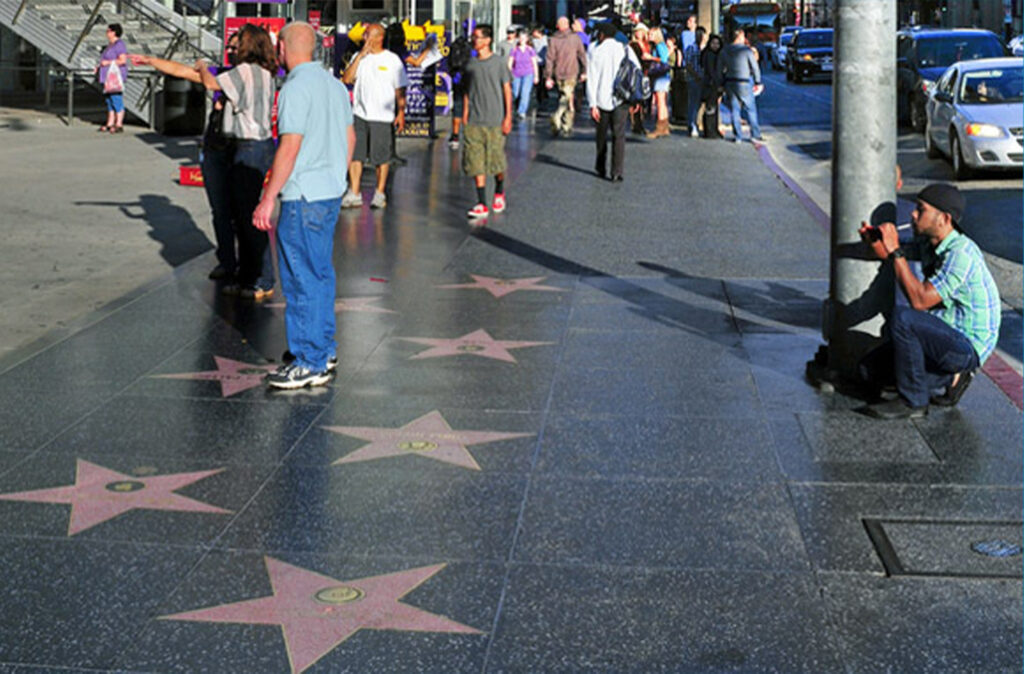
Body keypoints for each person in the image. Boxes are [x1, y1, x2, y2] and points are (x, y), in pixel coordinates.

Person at [252, 22, 355, 389]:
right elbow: (350, 136)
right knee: (320, 274)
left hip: (302, 196)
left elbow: (290, 146)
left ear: (282, 47)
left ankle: (309, 360)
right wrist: (336, 177)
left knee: (300, 279)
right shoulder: (334, 85)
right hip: (327, 191)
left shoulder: (294, 88)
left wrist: (268, 197)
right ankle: (323, 348)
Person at [858, 184, 1001, 419]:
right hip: (943, 335)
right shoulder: (928, 242)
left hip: (966, 346)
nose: (913, 214)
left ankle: (914, 402)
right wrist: (875, 240)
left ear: (943, 218)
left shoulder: (960, 254)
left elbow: (920, 300)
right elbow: (892, 254)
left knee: (904, 318)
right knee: (869, 370)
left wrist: (894, 250)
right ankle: (950, 377)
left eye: (921, 210)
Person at [130, 34, 244, 282]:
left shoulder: (252, 75)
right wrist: (151, 60)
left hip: (240, 149)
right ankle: (227, 259)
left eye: (237, 46)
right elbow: (181, 71)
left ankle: (247, 262)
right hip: (216, 147)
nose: (231, 51)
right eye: (229, 46)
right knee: (220, 210)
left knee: (241, 211)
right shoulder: (221, 72)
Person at [194, 24, 278, 300]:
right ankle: (251, 276)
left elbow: (210, 83)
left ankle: (260, 278)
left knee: (246, 218)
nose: (234, 47)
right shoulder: (267, 73)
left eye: (238, 42)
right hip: (264, 145)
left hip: (249, 146)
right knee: (248, 215)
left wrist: (202, 66)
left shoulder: (242, 71)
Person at [340, 24, 407, 210]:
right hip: (359, 114)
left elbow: (400, 89)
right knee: (356, 155)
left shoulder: (392, 60)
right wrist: (360, 55)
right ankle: (354, 192)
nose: (363, 36)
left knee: (381, 157)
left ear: (379, 37)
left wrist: (401, 112)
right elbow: (346, 79)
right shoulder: (358, 57)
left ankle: (380, 192)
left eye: (367, 34)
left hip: (382, 116)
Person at [462, 24, 513, 219]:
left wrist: (508, 117)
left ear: (487, 40)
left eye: (478, 37)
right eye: (474, 37)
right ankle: (482, 203)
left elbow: (506, 90)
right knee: (476, 162)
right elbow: (467, 91)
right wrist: (465, 113)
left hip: (495, 120)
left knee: (496, 162)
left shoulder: (499, 63)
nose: (474, 41)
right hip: (475, 119)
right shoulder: (470, 64)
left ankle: (499, 190)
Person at [587, 22, 641, 182]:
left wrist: (592, 103)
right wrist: (635, 98)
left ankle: (600, 165)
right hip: (621, 98)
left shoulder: (594, 50)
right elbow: (636, 71)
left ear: (602, 34)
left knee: (601, 134)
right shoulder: (625, 49)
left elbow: (592, 78)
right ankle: (617, 170)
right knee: (619, 134)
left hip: (601, 98)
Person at [545, 16, 587, 137]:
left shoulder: (553, 39)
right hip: (571, 72)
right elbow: (582, 55)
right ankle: (558, 118)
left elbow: (549, 59)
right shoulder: (575, 38)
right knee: (567, 98)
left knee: (565, 97)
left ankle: (566, 125)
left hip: (559, 73)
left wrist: (548, 76)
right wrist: (585, 70)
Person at [721, 27, 763, 143]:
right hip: (744, 81)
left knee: (735, 109)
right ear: (740, 36)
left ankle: (738, 136)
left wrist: (721, 82)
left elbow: (720, 68)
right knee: (750, 109)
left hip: (730, 82)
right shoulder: (746, 51)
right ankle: (755, 134)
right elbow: (755, 67)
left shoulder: (725, 51)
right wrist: (758, 81)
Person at [97, 24, 128, 134]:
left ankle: (119, 123)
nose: (107, 32)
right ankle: (110, 122)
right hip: (107, 77)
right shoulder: (110, 45)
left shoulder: (119, 45)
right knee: (109, 100)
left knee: (116, 99)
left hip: (114, 77)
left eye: (109, 30)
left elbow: (122, 60)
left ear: (114, 32)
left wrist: (108, 63)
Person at [644, 26, 672, 138]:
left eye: (651, 34)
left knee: (660, 102)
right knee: (663, 102)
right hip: (664, 77)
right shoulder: (661, 45)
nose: (649, 36)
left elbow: (664, 60)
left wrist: (650, 57)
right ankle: (664, 125)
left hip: (661, 76)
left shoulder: (659, 46)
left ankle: (660, 127)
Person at [447, 33, 472, 149]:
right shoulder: (471, 48)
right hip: (469, 79)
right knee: (468, 106)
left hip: (457, 79)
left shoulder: (454, 47)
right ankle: (468, 135)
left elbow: (449, 63)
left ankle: (455, 135)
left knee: (457, 106)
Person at [508, 29, 539, 119]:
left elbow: (534, 63)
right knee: (516, 92)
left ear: (527, 39)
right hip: (516, 73)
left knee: (525, 92)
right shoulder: (514, 50)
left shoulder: (530, 50)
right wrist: (508, 74)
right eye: (520, 38)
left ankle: (522, 111)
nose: (522, 40)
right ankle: (515, 106)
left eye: (524, 38)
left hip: (528, 73)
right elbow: (510, 63)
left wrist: (536, 76)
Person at [699, 33, 725, 139]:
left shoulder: (716, 54)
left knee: (713, 108)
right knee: (711, 108)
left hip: (712, 84)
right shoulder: (709, 55)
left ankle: (713, 129)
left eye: (717, 43)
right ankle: (710, 131)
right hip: (710, 85)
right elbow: (711, 71)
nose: (715, 46)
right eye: (713, 43)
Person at [683, 26, 707, 137]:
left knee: (698, 104)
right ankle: (692, 124)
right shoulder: (691, 48)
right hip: (693, 79)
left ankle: (696, 123)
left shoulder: (706, 49)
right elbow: (687, 64)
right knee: (693, 103)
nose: (701, 37)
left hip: (704, 79)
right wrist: (695, 75)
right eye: (698, 34)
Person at [628, 23, 652, 134]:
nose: (638, 33)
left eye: (640, 31)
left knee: (643, 100)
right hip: (635, 73)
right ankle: (635, 124)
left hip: (646, 73)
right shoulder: (632, 45)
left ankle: (640, 123)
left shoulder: (647, 45)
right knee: (635, 99)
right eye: (636, 31)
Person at [531, 25, 549, 108]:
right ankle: (539, 95)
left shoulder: (547, 40)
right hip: (536, 62)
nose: (533, 33)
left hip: (544, 62)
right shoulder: (532, 41)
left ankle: (544, 93)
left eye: (534, 31)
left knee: (543, 78)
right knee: (538, 80)